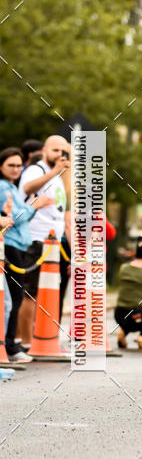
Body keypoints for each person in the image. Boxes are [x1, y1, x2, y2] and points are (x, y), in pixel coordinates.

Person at [0, 147, 54, 363]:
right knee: (12, 300)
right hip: (11, 246)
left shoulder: (11, 187)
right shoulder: (4, 187)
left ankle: (11, 344)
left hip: (19, 246)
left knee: (14, 298)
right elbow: (15, 217)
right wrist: (35, 205)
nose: (15, 169)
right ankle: (10, 346)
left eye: (17, 165)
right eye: (10, 165)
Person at [16, 135, 69, 349]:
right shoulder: (36, 170)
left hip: (52, 243)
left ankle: (39, 338)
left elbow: (65, 202)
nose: (59, 155)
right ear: (45, 149)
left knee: (41, 293)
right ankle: (25, 341)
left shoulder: (56, 175)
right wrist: (56, 170)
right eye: (55, 150)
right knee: (29, 293)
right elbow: (27, 189)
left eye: (63, 151)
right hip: (35, 238)